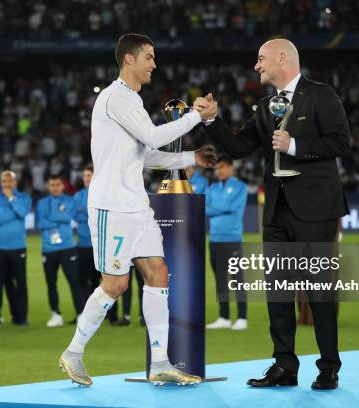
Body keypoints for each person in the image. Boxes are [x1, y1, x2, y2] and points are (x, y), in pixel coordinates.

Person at [59, 33, 217, 387]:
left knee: (158, 273)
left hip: (137, 206)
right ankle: (73, 352)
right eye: (149, 57)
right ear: (128, 59)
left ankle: (160, 363)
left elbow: (146, 155)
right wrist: (195, 115)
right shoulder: (114, 97)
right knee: (115, 285)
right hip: (111, 206)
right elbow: (154, 137)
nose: (154, 64)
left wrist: (191, 157)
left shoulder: (132, 101)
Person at [201, 38, 350, 390]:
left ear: (282, 58)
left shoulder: (321, 94)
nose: (256, 66)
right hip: (277, 211)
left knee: (319, 290)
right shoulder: (267, 105)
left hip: (315, 209)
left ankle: (328, 365)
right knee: (278, 290)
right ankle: (285, 365)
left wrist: (295, 146)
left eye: (261, 58)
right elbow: (238, 146)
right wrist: (212, 121)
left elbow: (341, 142)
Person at [205, 155, 248, 331]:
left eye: (222, 167)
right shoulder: (212, 187)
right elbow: (205, 209)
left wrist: (216, 208)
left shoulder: (240, 187)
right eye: (216, 168)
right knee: (220, 279)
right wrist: (221, 208)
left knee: (237, 279)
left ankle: (242, 317)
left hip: (232, 239)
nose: (219, 171)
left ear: (231, 167)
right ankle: (224, 317)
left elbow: (233, 208)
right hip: (214, 238)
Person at [36, 175, 83, 328]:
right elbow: (41, 223)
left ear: (62, 187)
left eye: (57, 185)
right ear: (48, 187)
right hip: (48, 249)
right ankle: (56, 314)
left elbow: (68, 217)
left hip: (67, 248)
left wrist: (52, 217)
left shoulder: (70, 201)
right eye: (52, 185)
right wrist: (60, 217)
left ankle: (81, 314)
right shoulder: (42, 203)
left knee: (75, 282)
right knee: (51, 283)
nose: (55, 187)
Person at [0, 170, 31, 326]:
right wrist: (13, 213)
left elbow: (22, 212)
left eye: (10, 181)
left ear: (15, 182)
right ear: (1, 183)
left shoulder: (24, 198)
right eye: (4, 182)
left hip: (18, 247)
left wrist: (11, 199)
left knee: (21, 283)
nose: (7, 184)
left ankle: (22, 317)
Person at [74, 165, 96, 299]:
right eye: (85, 176)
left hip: (99, 245)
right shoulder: (77, 195)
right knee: (82, 280)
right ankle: (83, 311)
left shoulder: (102, 193)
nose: (86, 178)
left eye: (89, 175)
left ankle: (111, 316)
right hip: (82, 244)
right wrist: (91, 214)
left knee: (103, 281)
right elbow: (75, 215)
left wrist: (84, 212)